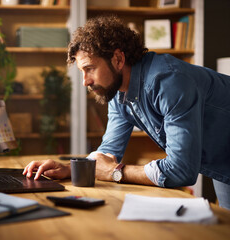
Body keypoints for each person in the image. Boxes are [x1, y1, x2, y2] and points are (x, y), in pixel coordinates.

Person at [22, 16, 230, 210]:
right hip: (223, 162)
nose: (85, 81)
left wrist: (116, 172)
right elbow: (108, 152)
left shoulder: (168, 82)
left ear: (118, 59)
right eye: (82, 72)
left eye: (90, 68)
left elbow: (180, 170)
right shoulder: (119, 92)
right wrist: (69, 169)